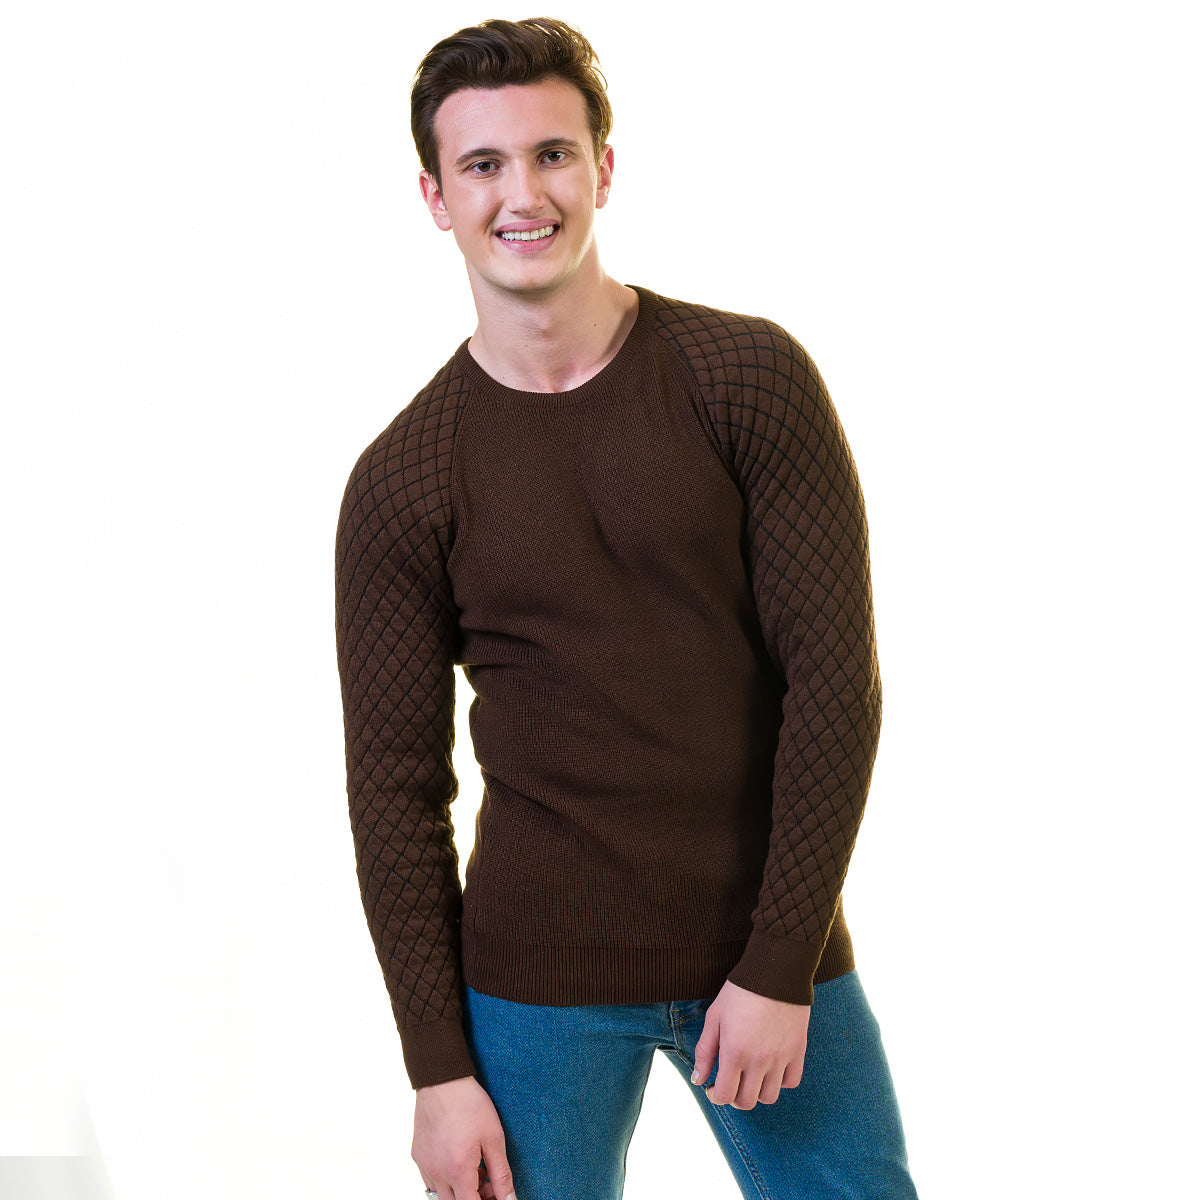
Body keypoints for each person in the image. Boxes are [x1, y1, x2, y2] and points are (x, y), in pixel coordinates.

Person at [334, 16, 919, 1200]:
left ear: (603, 168)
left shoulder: (745, 380)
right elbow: (395, 793)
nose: (523, 193)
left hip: (767, 947)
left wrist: (779, 963)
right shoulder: (405, 480)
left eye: (551, 153)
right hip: (532, 983)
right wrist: (437, 1069)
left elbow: (832, 684)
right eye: (483, 164)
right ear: (437, 197)